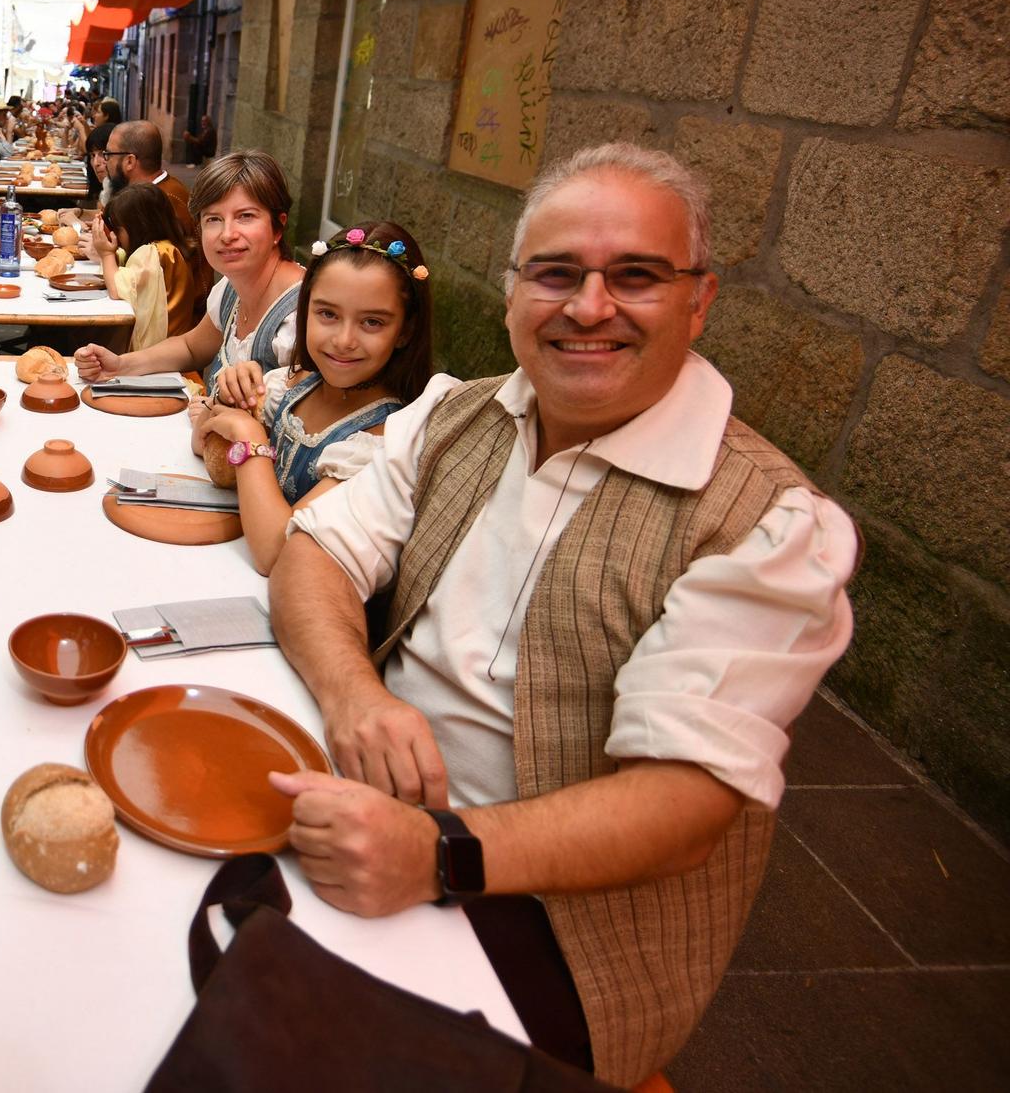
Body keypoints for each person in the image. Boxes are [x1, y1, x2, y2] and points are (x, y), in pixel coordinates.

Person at [266, 143, 856, 1086]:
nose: (588, 306)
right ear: (511, 295)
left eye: (636, 277)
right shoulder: (454, 415)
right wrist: (352, 695)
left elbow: (685, 803)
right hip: (361, 797)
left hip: (568, 925)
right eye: (556, 273)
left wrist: (438, 852)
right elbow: (313, 554)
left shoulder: (765, 521)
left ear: (699, 302)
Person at [197, 223, 434, 574]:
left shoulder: (383, 442)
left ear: (405, 331)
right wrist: (232, 402)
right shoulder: (290, 384)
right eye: (327, 314)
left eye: (372, 322)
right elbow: (200, 442)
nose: (343, 339)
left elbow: (275, 553)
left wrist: (249, 438)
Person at [75, 149, 303, 398]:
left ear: (278, 227)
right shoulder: (230, 288)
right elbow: (190, 347)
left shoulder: (302, 313)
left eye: (245, 216)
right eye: (213, 219)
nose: (227, 234)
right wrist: (121, 365)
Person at [109, 119, 207, 320]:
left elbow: (159, 273)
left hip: (175, 321)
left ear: (130, 161)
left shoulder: (165, 200)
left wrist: (107, 256)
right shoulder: (151, 194)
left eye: (109, 154)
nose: (103, 161)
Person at [89, 182, 201, 349]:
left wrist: (106, 254)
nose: (116, 236)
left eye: (118, 229)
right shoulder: (167, 248)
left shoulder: (154, 253)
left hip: (159, 356)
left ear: (137, 227)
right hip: (170, 348)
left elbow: (117, 289)